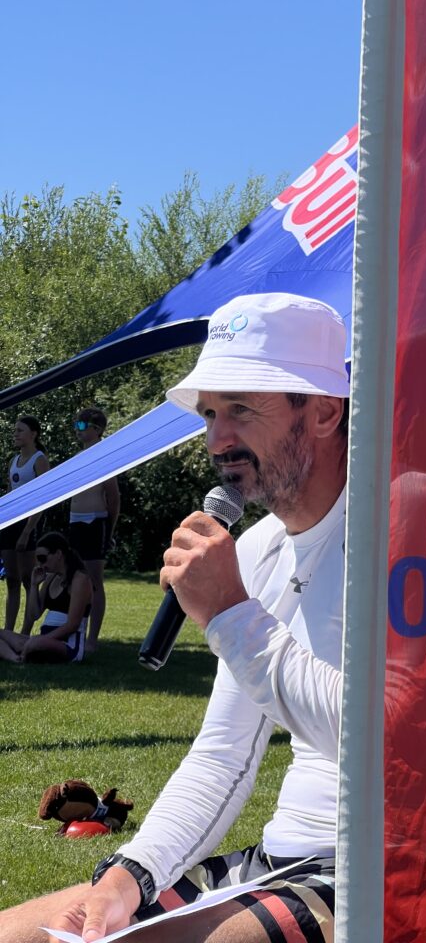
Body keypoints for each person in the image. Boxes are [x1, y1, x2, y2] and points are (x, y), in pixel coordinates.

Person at [0, 292, 348, 943]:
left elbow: (392, 744)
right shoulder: (257, 550)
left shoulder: (403, 529)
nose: (217, 439)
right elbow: (224, 756)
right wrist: (129, 874)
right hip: (275, 864)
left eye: (241, 408)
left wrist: (230, 614)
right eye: (210, 413)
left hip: (374, 869)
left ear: (325, 410)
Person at [68, 407, 120, 653]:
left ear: (96, 429)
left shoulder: (103, 454)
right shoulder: (80, 455)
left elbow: (113, 497)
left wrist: (108, 530)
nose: (77, 429)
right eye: (76, 425)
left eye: (81, 425)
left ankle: (92, 639)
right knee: (76, 579)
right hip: (75, 521)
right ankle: (75, 630)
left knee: (94, 581)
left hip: (94, 522)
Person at [0, 531, 92, 664]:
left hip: (68, 645)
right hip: (44, 640)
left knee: (36, 643)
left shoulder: (80, 579)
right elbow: (34, 615)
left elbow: (72, 625)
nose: (40, 564)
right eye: (38, 560)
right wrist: (34, 585)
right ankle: (16, 659)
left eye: (42, 558)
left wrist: (41, 639)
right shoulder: (51, 578)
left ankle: (23, 652)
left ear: (58, 554)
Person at [0, 416, 50, 632]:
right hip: (10, 524)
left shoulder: (39, 459)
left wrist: (27, 531)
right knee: (11, 579)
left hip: (29, 524)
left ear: (34, 434)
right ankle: (8, 631)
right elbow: (10, 493)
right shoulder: (14, 460)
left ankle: (25, 632)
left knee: (28, 580)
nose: (16, 434)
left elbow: (44, 498)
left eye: (20, 430)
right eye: (15, 430)